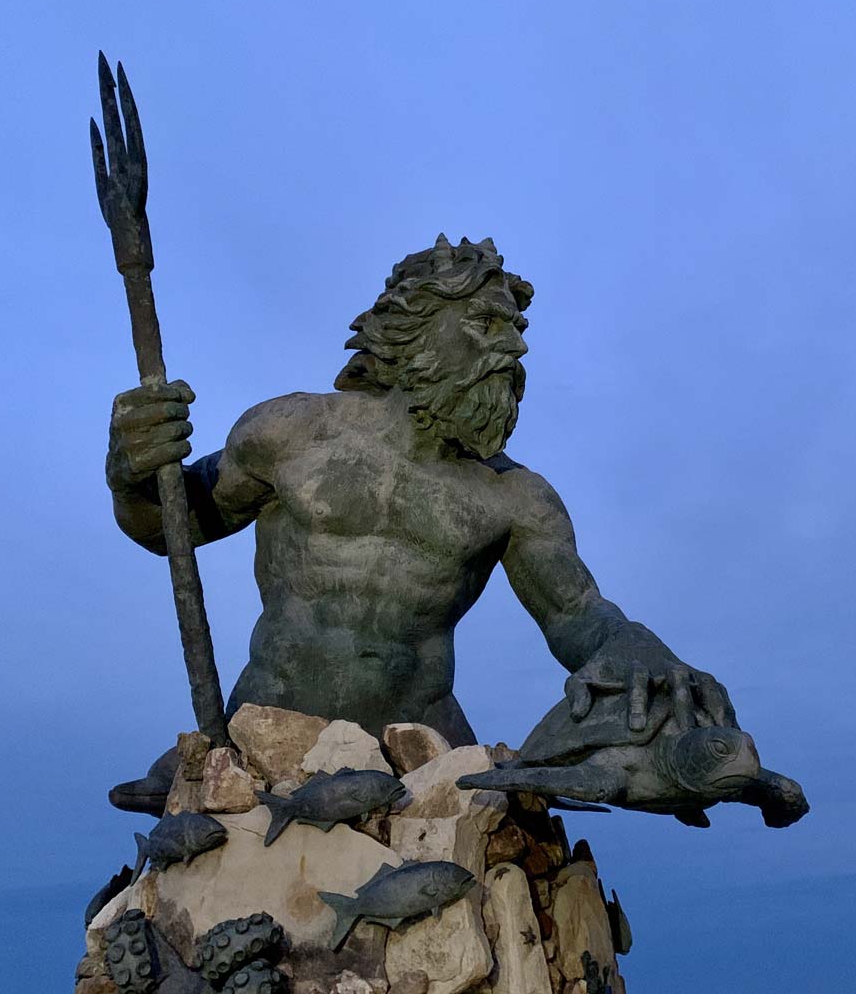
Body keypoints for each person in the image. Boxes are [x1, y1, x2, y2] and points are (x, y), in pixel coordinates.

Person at [107, 234, 736, 813]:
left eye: (517, 331)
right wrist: (132, 471)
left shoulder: (516, 498)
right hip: (263, 738)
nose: (515, 347)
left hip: (422, 755)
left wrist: (635, 644)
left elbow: (577, 617)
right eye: (488, 324)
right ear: (424, 330)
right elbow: (171, 527)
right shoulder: (289, 433)